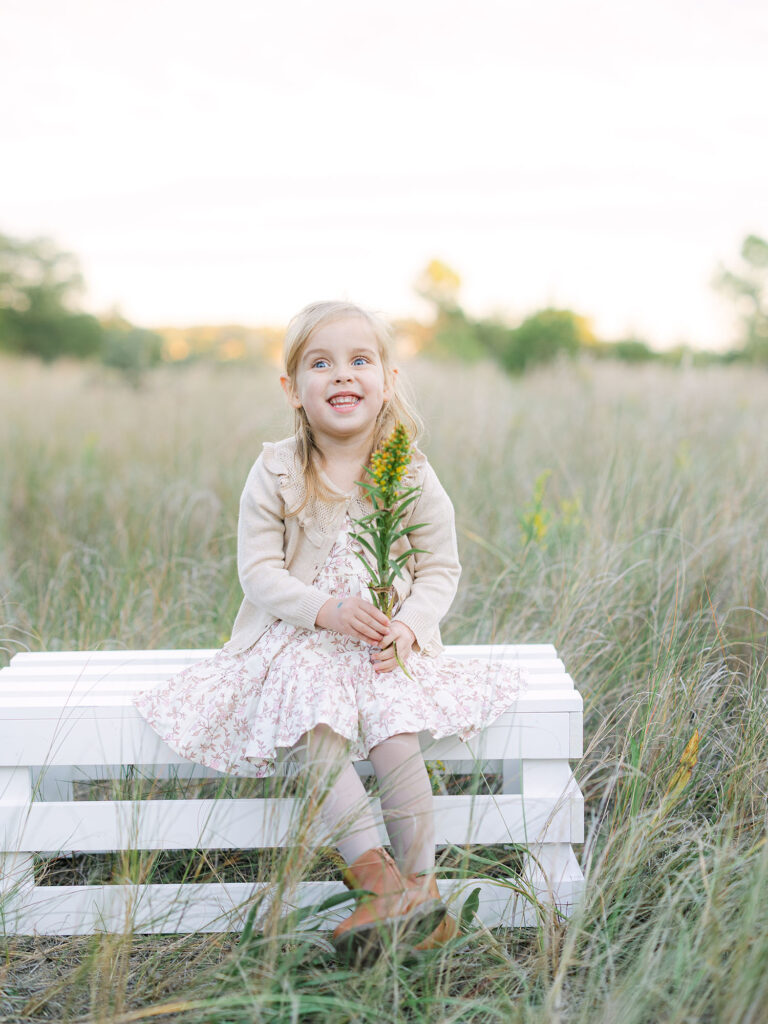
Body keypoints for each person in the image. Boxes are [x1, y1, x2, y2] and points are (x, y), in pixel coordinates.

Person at [132, 300, 528, 964]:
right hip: (297, 641)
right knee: (313, 722)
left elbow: (440, 567)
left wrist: (406, 625)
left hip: (381, 644)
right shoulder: (278, 469)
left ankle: (421, 884)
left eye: (359, 360)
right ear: (292, 388)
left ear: (389, 380)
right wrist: (324, 609)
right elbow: (257, 570)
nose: (341, 375)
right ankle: (377, 882)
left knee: (394, 725)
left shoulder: (409, 471)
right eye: (321, 363)